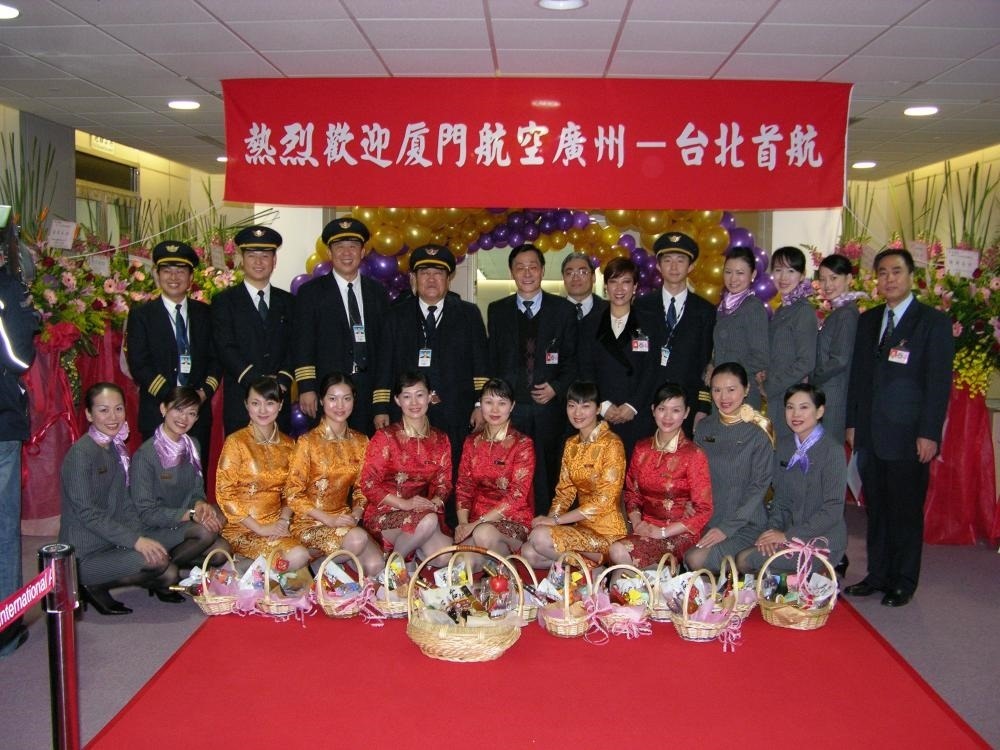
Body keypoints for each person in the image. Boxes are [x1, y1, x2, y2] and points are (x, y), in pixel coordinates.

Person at [844, 248, 953, 608]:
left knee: (905, 510)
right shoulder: (869, 320)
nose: (889, 279)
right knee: (876, 508)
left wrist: (929, 433)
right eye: (882, 273)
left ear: (911, 277)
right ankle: (877, 574)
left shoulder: (932, 322)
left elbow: (938, 384)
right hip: (870, 433)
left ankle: (903, 581)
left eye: (896, 271)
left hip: (909, 436)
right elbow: (859, 378)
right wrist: (853, 423)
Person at [373, 243, 489, 524]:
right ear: (414, 278)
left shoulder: (468, 314)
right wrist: (380, 406)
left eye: (438, 273)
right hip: (408, 412)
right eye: (424, 273)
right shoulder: (396, 315)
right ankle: (408, 526)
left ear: (449, 278)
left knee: (452, 471)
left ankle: (449, 527)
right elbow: (384, 364)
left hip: (456, 411)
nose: (431, 279)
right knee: (408, 473)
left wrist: (479, 404)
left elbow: (481, 364)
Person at [58, 383, 177, 615]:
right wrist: (135, 541)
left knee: (168, 569)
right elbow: (89, 514)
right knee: (158, 563)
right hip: (84, 553)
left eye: (118, 409)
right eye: (103, 410)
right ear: (89, 414)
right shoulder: (80, 454)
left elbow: (125, 503)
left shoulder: (115, 448)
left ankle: (101, 580)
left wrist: (141, 537)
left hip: (111, 542)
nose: (113, 417)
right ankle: (88, 584)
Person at [487, 243, 578, 514]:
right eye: (520, 268)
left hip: (549, 408)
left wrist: (556, 387)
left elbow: (574, 359)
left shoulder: (563, 310)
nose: (527, 273)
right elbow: (493, 360)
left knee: (548, 468)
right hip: (510, 409)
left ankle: (548, 522)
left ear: (542, 270)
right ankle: (514, 520)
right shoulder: (497, 310)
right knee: (510, 468)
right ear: (512, 272)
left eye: (533, 267)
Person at [129, 386, 228, 600]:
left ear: (196, 418)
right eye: (178, 410)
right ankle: (162, 571)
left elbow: (196, 490)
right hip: (152, 528)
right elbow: (146, 513)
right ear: (163, 409)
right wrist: (191, 514)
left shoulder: (192, 445)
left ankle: (164, 568)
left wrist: (200, 504)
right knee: (205, 533)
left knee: (221, 550)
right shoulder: (145, 455)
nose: (184, 418)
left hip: (181, 523)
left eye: (191, 413)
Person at [292, 217, 389, 435]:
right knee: (326, 452)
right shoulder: (311, 293)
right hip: (327, 394)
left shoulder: (377, 293)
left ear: (363, 252)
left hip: (367, 392)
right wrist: (307, 387)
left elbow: (385, 348)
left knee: (366, 450)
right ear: (329, 252)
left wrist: (381, 400)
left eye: (353, 246)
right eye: (339, 247)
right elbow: (302, 343)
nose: (347, 253)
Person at [736, 384, 847, 574]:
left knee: (745, 560)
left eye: (804, 407)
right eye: (790, 407)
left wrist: (787, 536)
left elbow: (833, 509)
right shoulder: (784, 446)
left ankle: (809, 577)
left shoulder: (832, 451)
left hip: (821, 538)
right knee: (746, 557)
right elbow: (780, 499)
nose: (796, 414)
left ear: (820, 411)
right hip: (788, 532)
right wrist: (772, 532)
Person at [284, 372, 384, 577]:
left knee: (375, 565)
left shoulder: (361, 441)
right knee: (358, 539)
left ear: (354, 400)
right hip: (310, 522)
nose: (340, 405)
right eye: (333, 398)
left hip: (344, 520)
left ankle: (324, 563)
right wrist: (328, 520)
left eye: (346, 399)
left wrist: (356, 513)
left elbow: (363, 487)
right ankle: (315, 565)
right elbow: (293, 493)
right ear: (321, 401)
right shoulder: (307, 442)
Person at [519, 381, 627, 567]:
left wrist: (556, 521)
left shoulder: (612, 444)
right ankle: (590, 569)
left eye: (585, 406)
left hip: (608, 532)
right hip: (582, 528)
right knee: (529, 552)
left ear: (598, 409)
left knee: (540, 538)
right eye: (572, 406)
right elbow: (564, 492)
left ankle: (597, 565)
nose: (577, 413)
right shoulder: (572, 444)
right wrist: (549, 521)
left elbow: (604, 501)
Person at [125, 240, 219, 452]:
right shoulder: (142, 315)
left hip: (196, 415)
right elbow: (139, 364)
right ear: (157, 275)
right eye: (167, 271)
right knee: (156, 471)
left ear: (191, 277)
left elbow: (216, 359)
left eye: (180, 271)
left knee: (195, 471)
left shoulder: (206, 314)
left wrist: (203, 393)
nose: (174, 277)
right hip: (158, 411)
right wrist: (173, 399)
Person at [609, 383, 713, 569]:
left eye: (675, 410)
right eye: (662, 409)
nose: (667, 417)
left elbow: (703, 509)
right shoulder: (641, 448)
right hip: (645, 529)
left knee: (619, 552)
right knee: (617, 558)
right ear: (653, 410)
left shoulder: (693, 454)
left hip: (679, 533)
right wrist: (638, 523)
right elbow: (632, 494)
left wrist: (663, 532)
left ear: (686, 413)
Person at [685, 362, 774, 571]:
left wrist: (726, 528)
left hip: (745, 523)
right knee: (672, 550)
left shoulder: (758, 431)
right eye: (717, 390)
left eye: (731, 389)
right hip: (708, 518)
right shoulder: (705, 427)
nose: (724, 397)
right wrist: (689, 501)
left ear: (746, 389)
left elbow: (758, 487)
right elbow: (695, 475)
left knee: (695, 559)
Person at [216, 377, 310, 571]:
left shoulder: (289, 445)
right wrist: (260, 528)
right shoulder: (236, 442)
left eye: (270, 403)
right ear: (246, 405)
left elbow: (292, 491)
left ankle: (248, 572)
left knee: (302, 554)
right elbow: (225, 493)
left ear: (280, 405)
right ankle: (251, 572)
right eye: (255, 403)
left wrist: (283, 521)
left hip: (277, 525)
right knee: (297, 556)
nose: (262, 410)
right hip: (242, 527)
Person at [358, 371, 453, 562]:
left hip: (421, 512)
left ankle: (408, 549)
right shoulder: (386, 437)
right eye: (407, 396)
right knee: (429, 520)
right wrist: (404, 504)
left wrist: (434, 502)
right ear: (397, 400)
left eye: (420, 395)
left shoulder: (440, 439)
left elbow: (444, 483)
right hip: (385, 512)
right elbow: (368, 484)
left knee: (443, 557)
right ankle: (395, 566)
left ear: (430, 396)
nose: (414, 402)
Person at [211, 225, 295, 435]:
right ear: (242, 260)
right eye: (252, 255)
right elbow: (225, 347)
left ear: (274, 261)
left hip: (278, 398)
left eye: (265, 256)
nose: (259, 262)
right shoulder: (224, 301)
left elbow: (295, 345)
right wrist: (256, 383)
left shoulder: (288, 302)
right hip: (241, 399)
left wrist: (283, 380)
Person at [634, 232, 715, 438]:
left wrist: (702, 406)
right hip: (647, 404)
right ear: (658, 266)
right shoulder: (641, 306)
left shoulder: (705, 310)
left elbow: (706, 362)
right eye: (667, 260)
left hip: (686, 406)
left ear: (691, 266)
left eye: (680, 260)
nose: (674, 266)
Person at [578, 257, 658, 458]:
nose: (619, 288)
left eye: (626, 282)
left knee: (636, 470)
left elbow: (653, 370)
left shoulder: (650, 323)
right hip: (601, 413)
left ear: (635, 287)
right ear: (606, 286)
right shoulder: (590, 323)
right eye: (613, 282)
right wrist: (602, 404)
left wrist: (633, 405)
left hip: (638, 413)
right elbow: (585, 369)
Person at [453, 378, 535, 557]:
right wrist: (463, 524)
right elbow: (464, 486)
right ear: (480, 404)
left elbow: (517, 496)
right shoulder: (471, 442)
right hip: (476, 520)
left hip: (513, 519)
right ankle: (501, 564)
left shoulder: (522, 444)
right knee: (460, 561)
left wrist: (476, 525)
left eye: (502, 403)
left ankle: (505, 563)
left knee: (483, 533)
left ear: (512, 406)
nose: (495, 410)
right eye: (489, 402)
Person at [0, 264, 36, 653]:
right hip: (1, 422)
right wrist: (28, 318)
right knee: (3, 529)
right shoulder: (8, 288)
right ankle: (6, 631)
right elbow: (18, 358)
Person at [763, 246, 817, 441]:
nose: (783, 277)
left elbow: (806, 361)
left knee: (784, 449)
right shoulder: (783, 309)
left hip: (790, 398)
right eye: (778, 270)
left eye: (791, 271)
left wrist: (770, 386)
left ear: (802, 275)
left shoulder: (803, 311)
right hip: (776, 396)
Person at [812, 253, 860, 445]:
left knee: (828, 450)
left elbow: (840, 359)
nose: (827, 285)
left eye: (833, 278)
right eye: (823, 279)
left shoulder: (846, 314)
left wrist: (812, 376)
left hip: (833, 396)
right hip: (828, 392)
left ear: (848, 279)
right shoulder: (839, 311)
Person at [712, 247, 768, 410]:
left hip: (742, 392)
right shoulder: (723, 307)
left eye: (740, 273)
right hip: (720, 392)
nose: (733, 279)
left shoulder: (753, 308)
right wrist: (711, 366)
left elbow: (761, 357)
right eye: (728, 272)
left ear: (753, 275)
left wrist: (727, 374)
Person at [562, 251, 607, 335]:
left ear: (593, 277)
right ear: (563, 279)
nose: (575, 278)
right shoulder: (551, 313)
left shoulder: (610, 311)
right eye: (569, 273)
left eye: (582, 272)